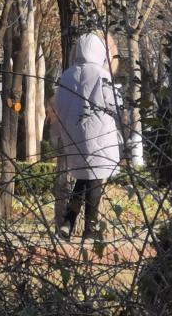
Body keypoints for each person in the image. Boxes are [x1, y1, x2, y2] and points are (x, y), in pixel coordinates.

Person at [52, 32, 122, 241]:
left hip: (74, 136)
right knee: (95, 180)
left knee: (83, 179)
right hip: (100, 136)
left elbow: (59, 105)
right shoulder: (102, 75)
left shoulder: (67, 75)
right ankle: (90, 230)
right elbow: (115, 105)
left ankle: (68, 222)